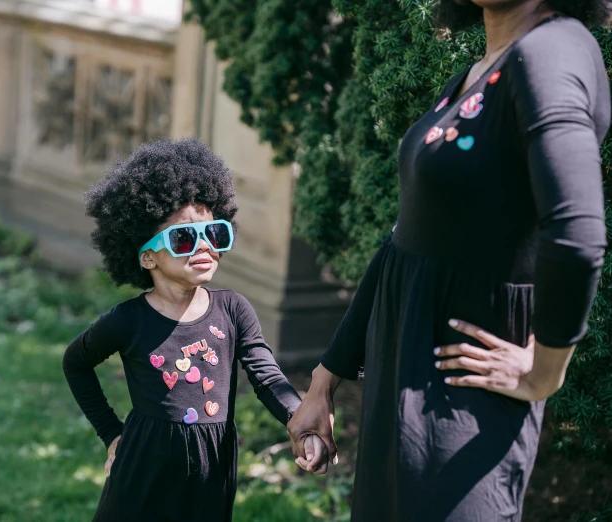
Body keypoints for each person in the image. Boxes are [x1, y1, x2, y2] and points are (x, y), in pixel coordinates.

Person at [287, 1, 611, 521]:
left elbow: (577, 234)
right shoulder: (476, 73)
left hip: (462, 398)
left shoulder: (555, 50)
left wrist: (545, 373)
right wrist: (325, 381)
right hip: (402, 382)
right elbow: (405, 243)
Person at [62, 138, 325, 522]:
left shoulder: (234, 309)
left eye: (214, 233)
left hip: (211, 472)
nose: (203, 246)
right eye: (184, 238)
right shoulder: (127, 321)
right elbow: (76, 363)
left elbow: (267, 378)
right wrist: (111, 434)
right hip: (142, 472)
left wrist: (299, 421)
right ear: (147, 255)